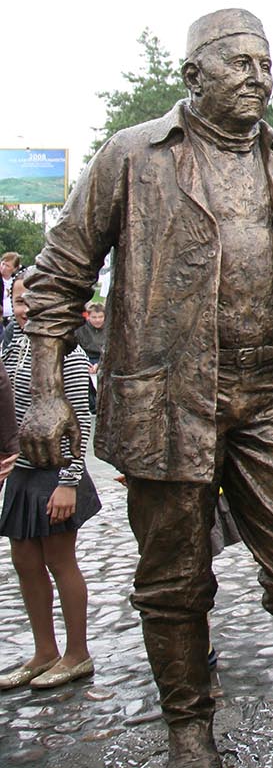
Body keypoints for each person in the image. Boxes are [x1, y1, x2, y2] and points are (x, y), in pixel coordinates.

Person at [19, 9, 273, 768]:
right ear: (192, 76)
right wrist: (43, 389)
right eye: (239, 63)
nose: (257, 78)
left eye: (266, 64)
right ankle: (188, 730)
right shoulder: (131, 157)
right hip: (168, 402)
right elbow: (56, 278)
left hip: (272, 395)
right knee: (174, 581)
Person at [0, 273, 99, 690]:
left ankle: (77, 653)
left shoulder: (69, 353)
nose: (23, 310)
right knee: (24, 561)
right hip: (23, 472)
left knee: (60, 562)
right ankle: (44, 651)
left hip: (57, 471)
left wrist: (68, 482)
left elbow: (79, 423)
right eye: (17, 301)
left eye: (30, 302)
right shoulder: (17, 345)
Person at [1, 251, 20, 327]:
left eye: (7, 266)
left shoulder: (16, 281)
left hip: (12, 319)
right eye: (3, 264)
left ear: (14, 269)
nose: (3, 267)